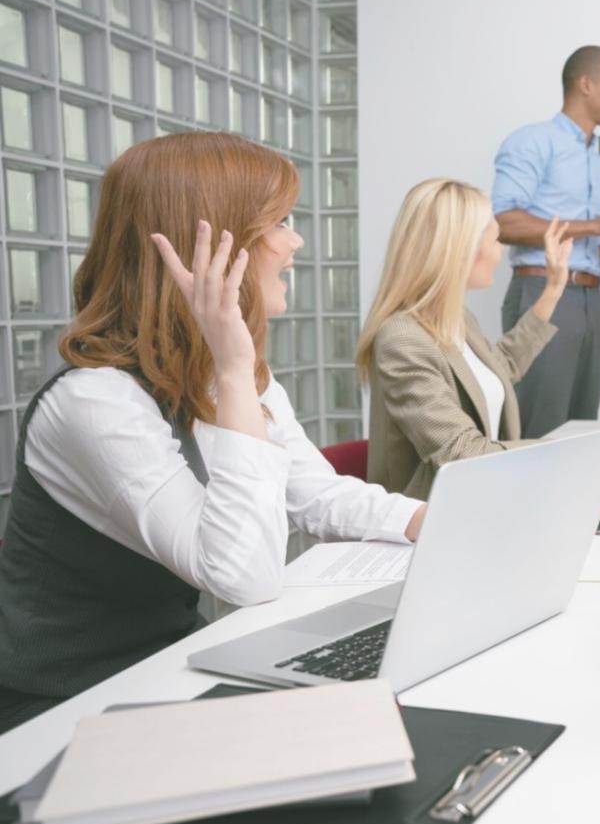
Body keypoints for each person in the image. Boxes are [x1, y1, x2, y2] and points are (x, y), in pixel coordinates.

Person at [0, 133, 426, 734]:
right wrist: (231, 365)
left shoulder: (231, 371)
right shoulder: (95, 401)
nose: (295, 240)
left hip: (170, 668)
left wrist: (431, 520)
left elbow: (315, 493)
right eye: (278, 222)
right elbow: (244, 577)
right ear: (206, 249)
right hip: (65, 708)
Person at [360, 179, 600, 501]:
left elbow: (500, 366)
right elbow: (463, 453)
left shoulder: (457, 320)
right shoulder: (402, 340)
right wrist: (592, 452)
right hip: (432, 526)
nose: (499, 253)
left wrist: (553, 289)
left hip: (483, 501)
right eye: (494, 241)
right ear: (460, 251)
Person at [491, 45, 600, 438]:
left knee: (580, 429)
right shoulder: (533, 142)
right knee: (539, 427)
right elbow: (503, 222)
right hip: (543, 294)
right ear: (586, 84)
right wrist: (595, 226)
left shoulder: (599, 163)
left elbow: (584, 251)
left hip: (592, 300)